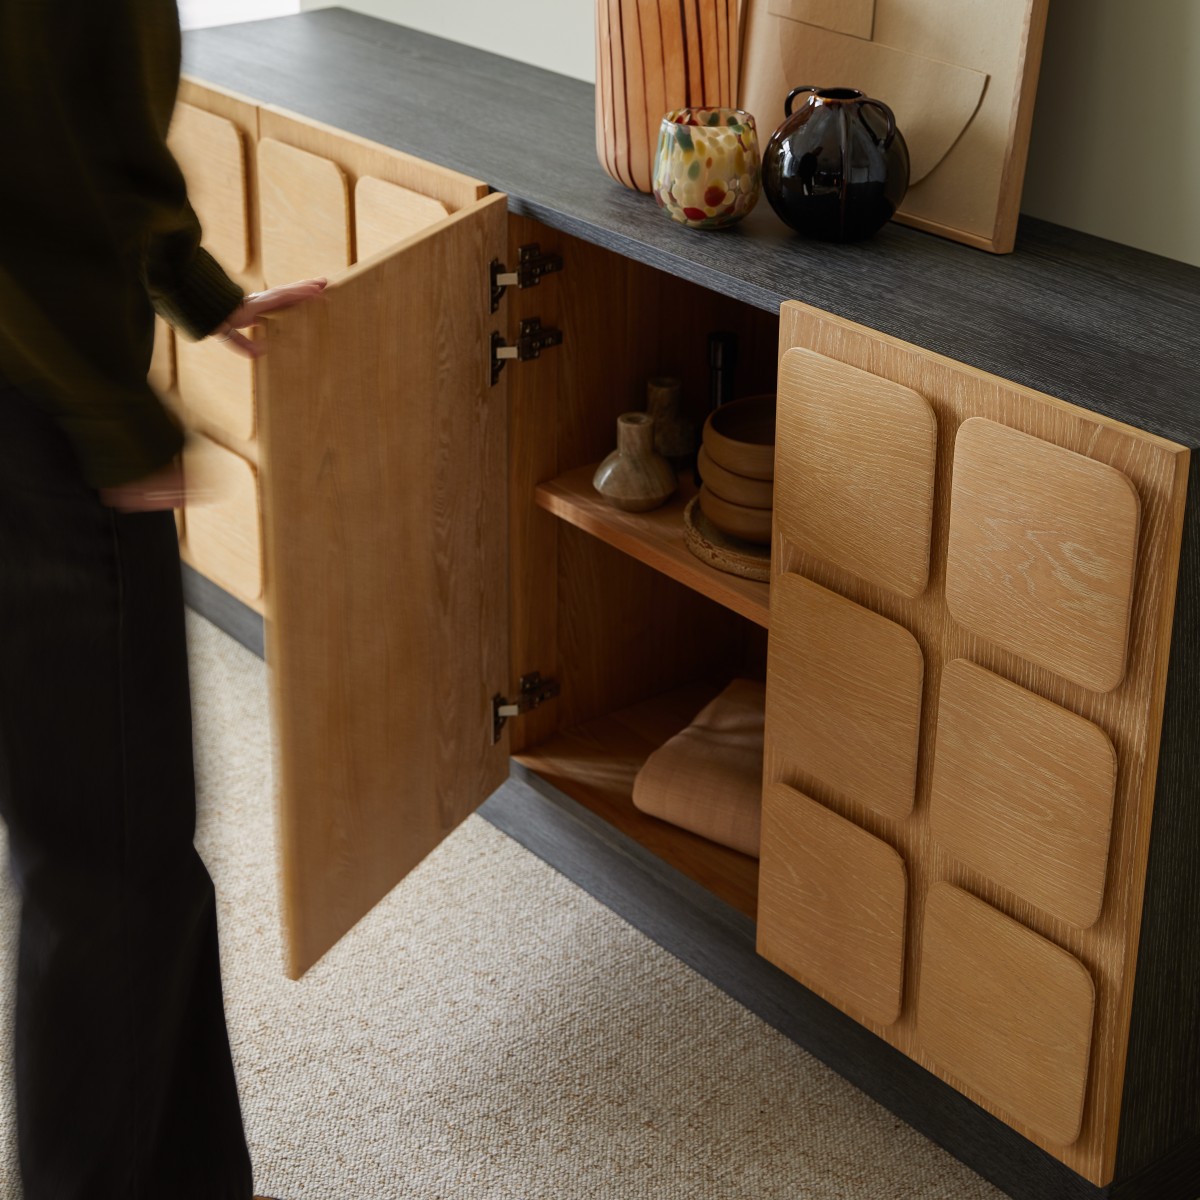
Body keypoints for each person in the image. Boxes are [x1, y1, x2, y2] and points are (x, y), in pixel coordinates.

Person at [0, 2, 324, 1195]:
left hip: (45, 396)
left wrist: (193, 286)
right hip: (31, 419)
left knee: (122, 855)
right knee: (110, 874)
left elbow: (89, 123)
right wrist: (109, 416)